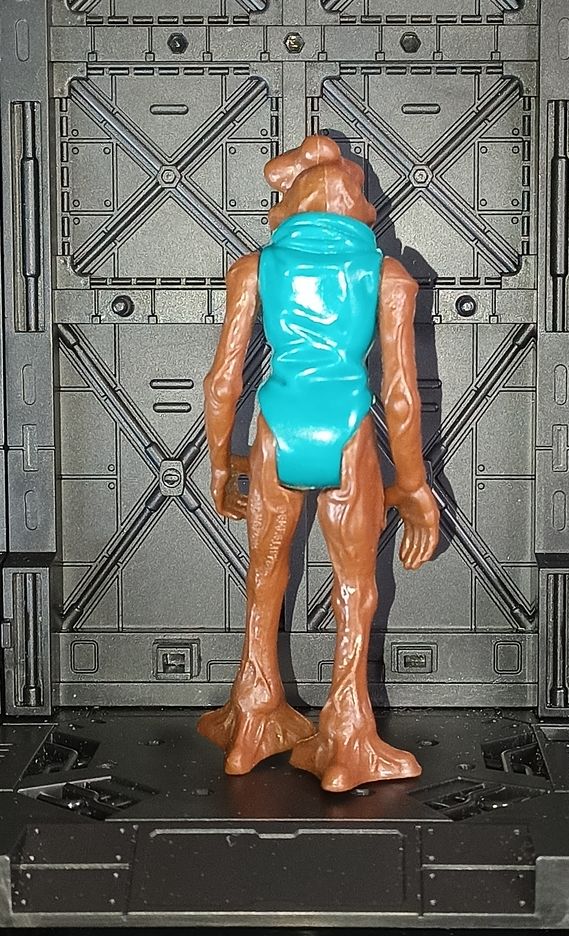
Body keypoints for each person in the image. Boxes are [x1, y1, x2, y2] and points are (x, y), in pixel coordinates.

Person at [198, 134, 439, 793]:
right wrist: (413, 485)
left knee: (264, 575)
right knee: (355, 588)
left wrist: (220, 466)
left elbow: (221, 384)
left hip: (277, 430)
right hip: (348, 434)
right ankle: (348, 735)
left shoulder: (255, 267)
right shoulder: (389, 275)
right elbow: (400, 395)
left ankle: (252, 714)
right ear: (357, 206)